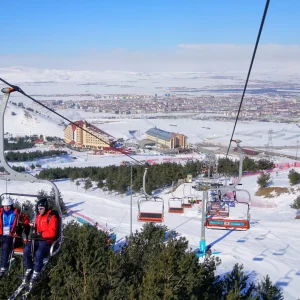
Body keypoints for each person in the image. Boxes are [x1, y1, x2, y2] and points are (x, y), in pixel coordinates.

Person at [23, 198, 58, 283]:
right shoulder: (38, 216)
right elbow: (37, 228)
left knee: (39, 253)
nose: (40, 210)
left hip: (46, 241)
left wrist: (40, 234)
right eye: (38, 208)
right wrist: (33, 228)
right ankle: (29, 268)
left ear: (45, 207)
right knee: (26, 250)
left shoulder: (52, 217)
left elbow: (52, 233)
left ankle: (36, 272)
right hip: (37, 239)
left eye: (41, 208)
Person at [0, 197, 30, 278]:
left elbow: (26, 220)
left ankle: (3, 267)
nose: (6, 208)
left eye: (8, 206)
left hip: (12, 235)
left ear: (11, 205)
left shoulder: (16, 213)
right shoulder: (0, 212)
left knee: (6, 246)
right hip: (1, 233)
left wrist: (21, 225)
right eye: (4, 206)